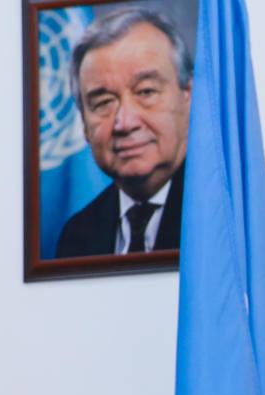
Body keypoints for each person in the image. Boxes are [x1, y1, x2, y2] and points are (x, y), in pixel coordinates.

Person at [54, 8, 191, 259]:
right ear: (83, 123)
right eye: (103, 102)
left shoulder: (226, 213)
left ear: (189, 96)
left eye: (146, 92)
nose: (125, 123)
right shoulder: (76, 236)